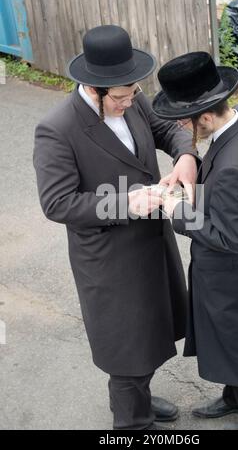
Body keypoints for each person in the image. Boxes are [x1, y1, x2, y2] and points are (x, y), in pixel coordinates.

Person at [33, 25, 198, 430]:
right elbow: (57, 203)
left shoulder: (131, 99)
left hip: (150, 243)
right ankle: (131, 422)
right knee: (127, 348)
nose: (130, 102)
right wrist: (126, 202)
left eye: (133, 94)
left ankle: (136, 396)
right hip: (109, 260)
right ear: (93, 89)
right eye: (121, 98)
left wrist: (187, 155)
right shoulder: (56, 129)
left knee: (152, 333)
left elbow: (166, 128)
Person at [152, 51, 238, 430]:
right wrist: (190, 168)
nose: (180, 125)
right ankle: (232, 398)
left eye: (184, 119)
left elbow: (226, 236)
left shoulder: (233, 170)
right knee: (234, 342)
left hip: (230, 274)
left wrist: (174, 208)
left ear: (206, 116)